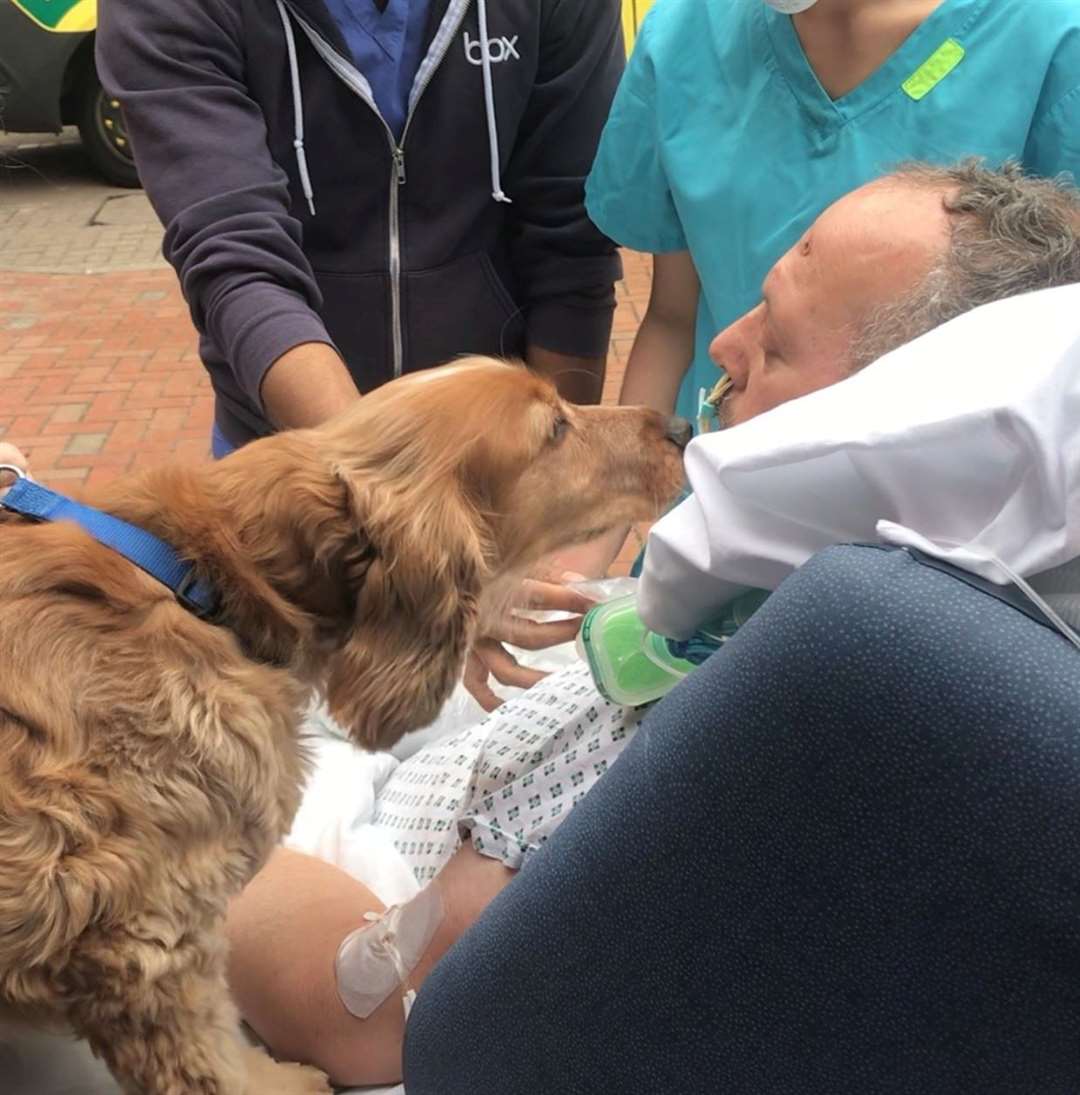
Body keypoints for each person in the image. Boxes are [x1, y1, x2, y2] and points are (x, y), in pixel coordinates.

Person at [223, 161, 1080, 1088]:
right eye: (753, 306)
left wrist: (187, 850)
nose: (728, 346)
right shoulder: (817, 614)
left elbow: (367, 1005)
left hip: (340, 875)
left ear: (890, 426)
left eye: (779, 346)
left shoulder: (780, 687)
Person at [96, 0, 626, 710]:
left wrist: (549, 502)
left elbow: (569, 242)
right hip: (301, 494)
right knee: (292, 761)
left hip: (499, 480)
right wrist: (403, 534)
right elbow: (238, 259)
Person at [96, 0, 623, 453]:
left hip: (500, 457)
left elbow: (569, 239)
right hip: (291, 456)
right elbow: (237, 256)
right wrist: (379, 486)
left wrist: (558, 469)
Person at [585, 0, 1080, 426]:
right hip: (718, 495)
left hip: (938, 513)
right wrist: (619, 508)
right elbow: (673, 316)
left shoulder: (1046, 45)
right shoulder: (688, 35)